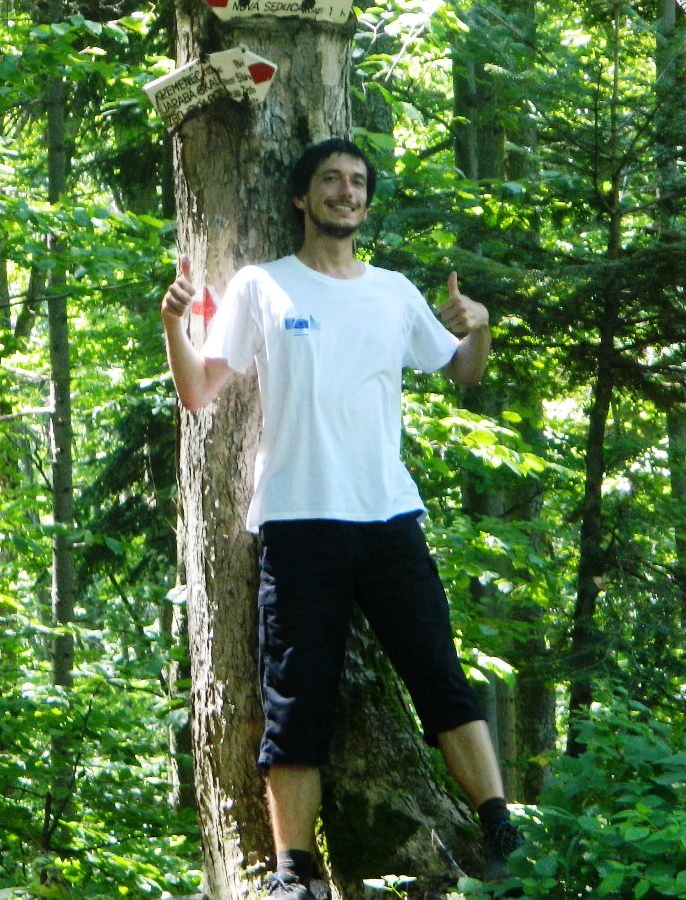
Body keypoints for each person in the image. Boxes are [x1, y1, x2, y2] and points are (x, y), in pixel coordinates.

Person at [161, 138, 520, 899]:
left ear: (366, 200)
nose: (345, 192)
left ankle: (499, 828)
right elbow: (199, 393)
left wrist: (480, 325)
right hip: (297, 524)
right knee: (296, 704)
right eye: (330, 180)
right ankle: (296, 875)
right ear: (301, 197)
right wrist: (174, 327)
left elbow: (461, 369)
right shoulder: (263, 286)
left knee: (441, 679)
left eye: (357, 182)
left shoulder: (392, 291)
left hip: (389, 518)